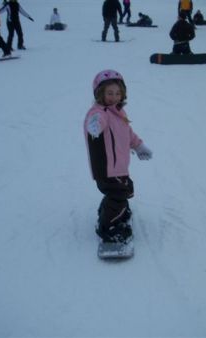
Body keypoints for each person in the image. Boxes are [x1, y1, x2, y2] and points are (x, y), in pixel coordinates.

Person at [84, 70, 152, 243]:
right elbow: (95, 120)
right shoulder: (100, 113)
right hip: (106, 168)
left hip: (118, 167)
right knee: (119, 193)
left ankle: (114, 210)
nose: (114, 97)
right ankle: (108, 226)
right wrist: (94, 126)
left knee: (122, 189)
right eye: (109, 93)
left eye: (117, 93)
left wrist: (139, 146)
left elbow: (128, 133)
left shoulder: (119, 113)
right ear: (100, 94)